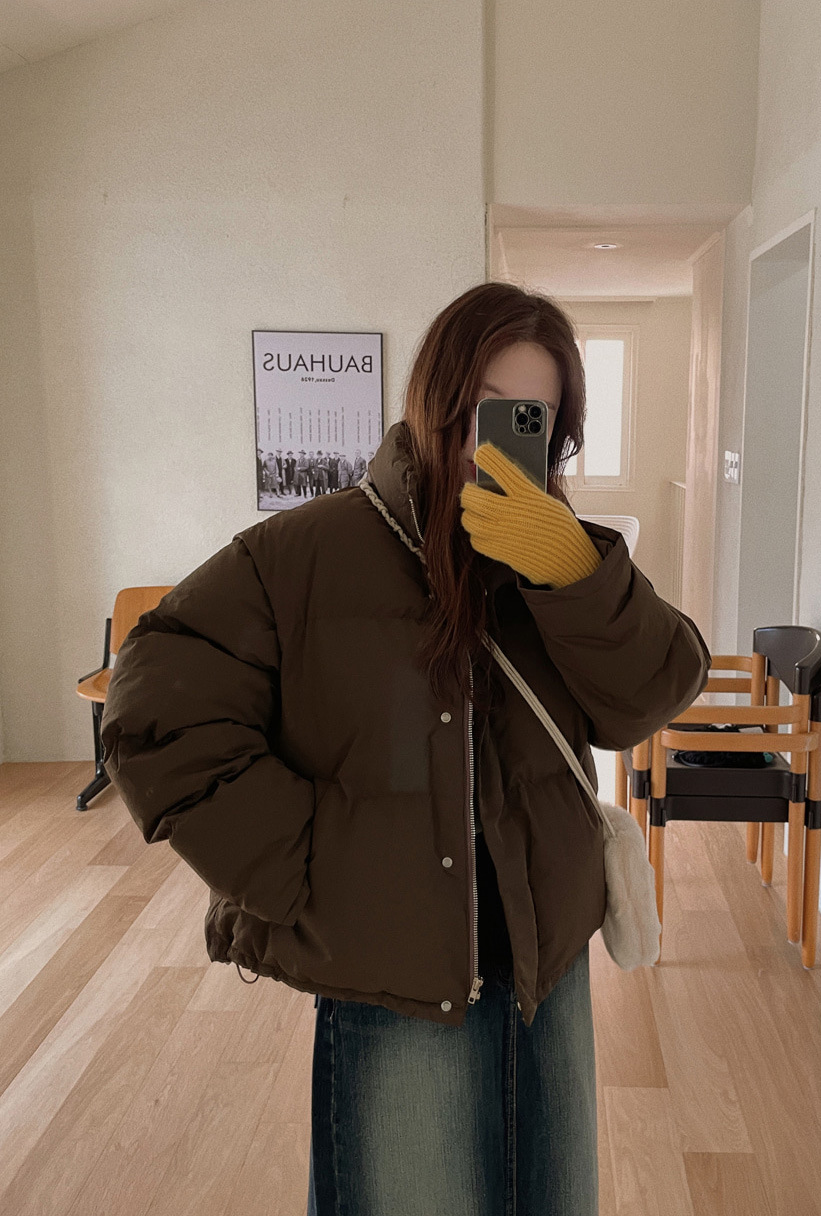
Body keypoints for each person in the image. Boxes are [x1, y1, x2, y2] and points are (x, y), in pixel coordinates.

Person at [100, 280, 711, 1216]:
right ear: (434, 399)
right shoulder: (308, 552)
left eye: (531, 417)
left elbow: (655, 692)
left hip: (547, 968)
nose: (495, 442)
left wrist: (575, 576)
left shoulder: (564, 563)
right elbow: (155, 706)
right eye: (482, 409)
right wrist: (305, 871)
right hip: (395, 978)